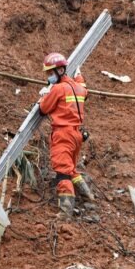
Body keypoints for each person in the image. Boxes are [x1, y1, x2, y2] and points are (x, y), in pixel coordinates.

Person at [38, 53, 94, 218]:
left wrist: (44, 95)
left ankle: (65, 211)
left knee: (63, 171)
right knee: (71, 169)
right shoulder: (79, 88)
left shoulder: (58, 89)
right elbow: (84, 90)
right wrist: (79, 77)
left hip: (63, 134)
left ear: (60, 70)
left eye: (51, 72)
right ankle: (88, 197)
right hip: (77, 135)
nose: (49, 76)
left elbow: (43, 109)